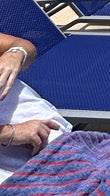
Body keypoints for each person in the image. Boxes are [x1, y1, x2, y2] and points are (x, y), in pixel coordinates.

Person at [0, 33, 67, 181]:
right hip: (17, 176)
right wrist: (10, 133)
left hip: (50, 136)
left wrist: (15, 54)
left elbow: (25, 46)